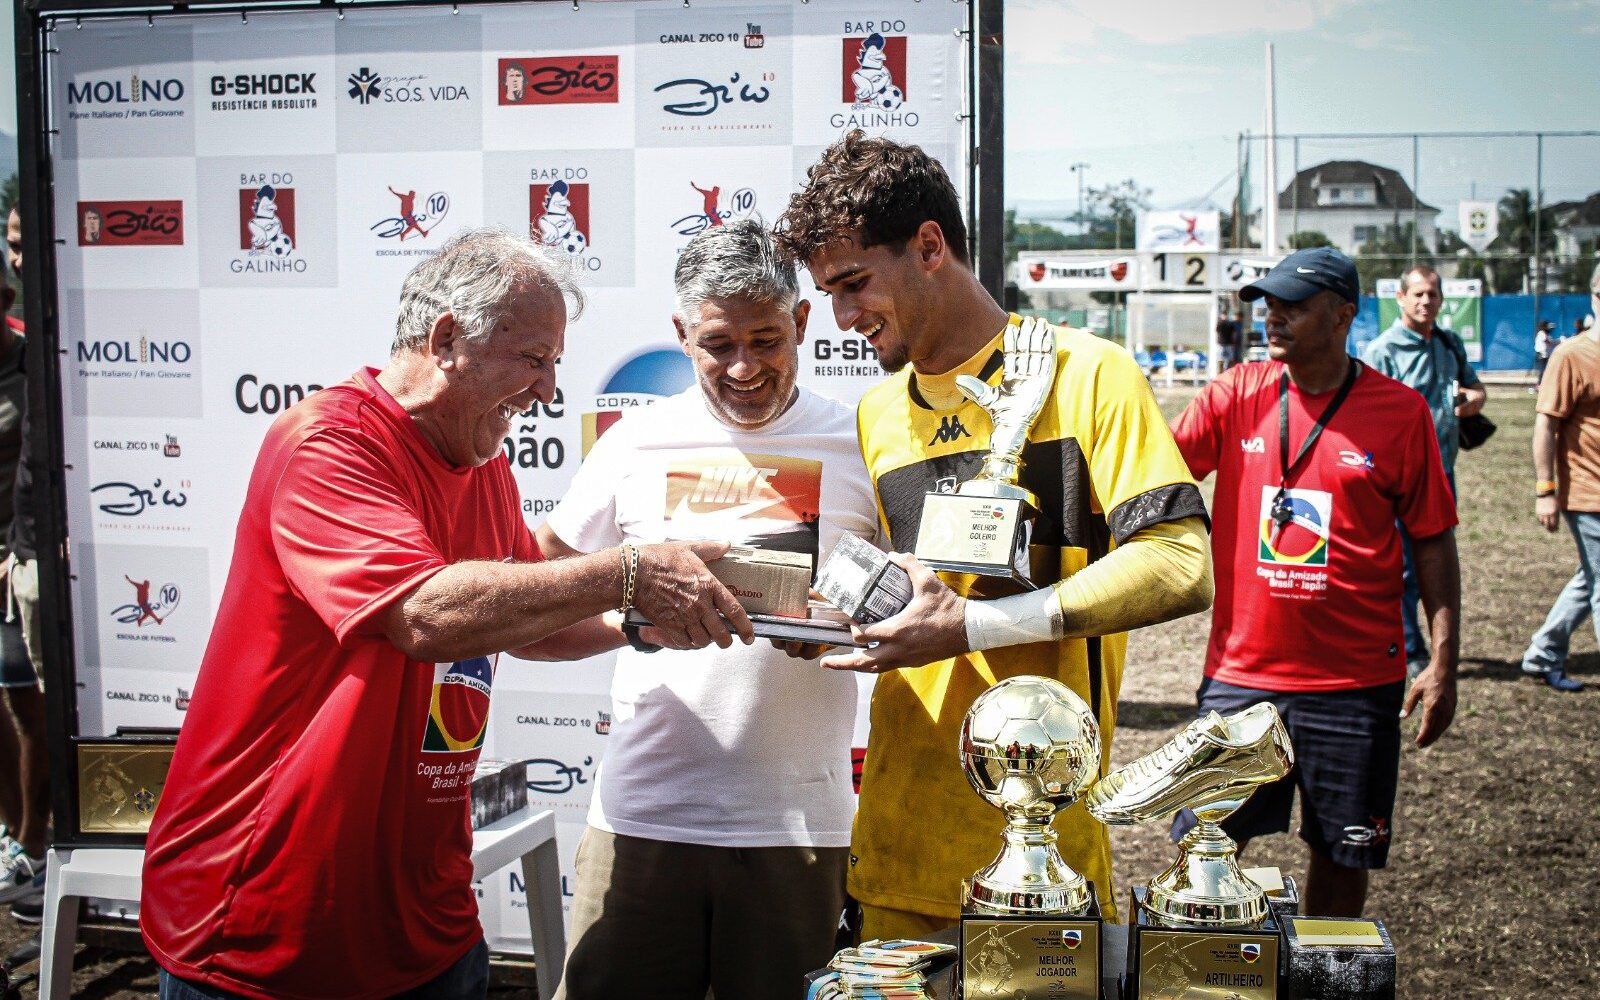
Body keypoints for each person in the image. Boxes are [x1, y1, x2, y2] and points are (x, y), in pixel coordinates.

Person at [140, 229, 755, 1000]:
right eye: (533, 359)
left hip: (427, 928)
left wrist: (636, 624)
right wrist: (632, 572)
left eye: (556, 364)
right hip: (271, 929)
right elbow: (424, 615)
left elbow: (530, 614)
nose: (546, 391)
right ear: (445, 340)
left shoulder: (483, 461)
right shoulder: (328, 444)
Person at [775, 131, 1214, 940]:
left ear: (930, 246)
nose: (839, 318)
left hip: (1045, 860)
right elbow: (912, 600)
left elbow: (1182, 565)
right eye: (828, 293)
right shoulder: (877, 412)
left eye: (853, 284)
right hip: (897, 848)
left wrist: (974, 628)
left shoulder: (1091, 374)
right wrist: (815, 620)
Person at [540, 221, 880, 1000]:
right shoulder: (634, 442)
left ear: (801, 323)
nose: (745, 367)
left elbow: (919, 607)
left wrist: (841, 626)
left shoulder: (860, 441)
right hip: (643, 817)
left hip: (800, 830)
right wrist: (635, 618)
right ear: (682, 335)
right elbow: (538, 603)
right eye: (718, 344)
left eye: (766, 340)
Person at [1169, 247, 1461, 918]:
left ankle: (1323, 979)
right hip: (1242, 677)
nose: (1273, 316)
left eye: (1293, 305)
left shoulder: (1401, 413)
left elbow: (1435, 542)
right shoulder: (1236, 394)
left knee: (1340, 858)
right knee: (1198, 851)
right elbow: (1155, 471)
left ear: (1342, 316)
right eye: (1268, 303)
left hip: (1356, 686)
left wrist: (1443, 663)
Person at [1361, 265, 1484, 678]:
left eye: (1432, 294)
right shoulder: (1383, 351)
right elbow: (1368, 418)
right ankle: (1409, 649)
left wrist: (1472, 400)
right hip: (1398, 480)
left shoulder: (1448, 343)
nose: (1425, 301)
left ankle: (1426, 645)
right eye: (1417, 294)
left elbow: (1474, 387)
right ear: (1400, 298)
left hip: (1443, 472)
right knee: (1403, 566)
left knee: (1436, 560)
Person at [1520, 263, 1600, 693]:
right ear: (1594, 298)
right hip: (1588, 493)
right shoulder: (1571, 355)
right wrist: (1545, 490)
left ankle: (1542, 654)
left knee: (1591, 577)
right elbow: (1545, 426)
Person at [0, 242, 46, 917]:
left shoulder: (27, 359)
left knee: (21, 697)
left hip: (15, 554)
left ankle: (32, 843)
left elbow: (34, 463)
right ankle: (11, 831)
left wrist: (14, 542)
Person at [1534, 321, 1554, 390]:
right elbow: (1547, 341)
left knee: (1547, 371)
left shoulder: (1547, 334)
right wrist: (1558, 341)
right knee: (1542, 371)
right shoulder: (1541, 333)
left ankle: (1544, 384)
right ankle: (1539, 385)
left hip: (1546, 355)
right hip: (1542, 355)